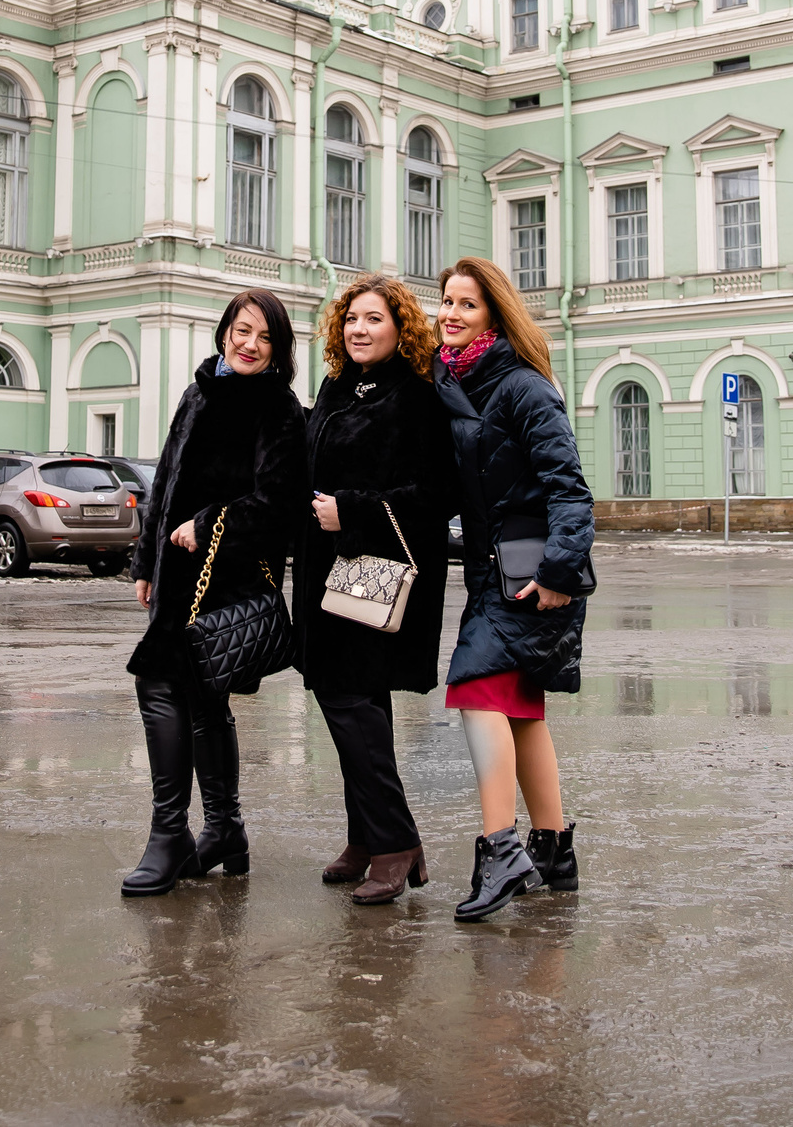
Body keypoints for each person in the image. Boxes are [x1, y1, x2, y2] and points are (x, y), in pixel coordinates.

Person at [121, 290, 309, 896]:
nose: (248, 344)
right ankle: (224, 830)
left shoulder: (279, 409)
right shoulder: (198, 392)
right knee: (200, 699)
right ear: (224, 331)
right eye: (241, 330)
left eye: (263, 337)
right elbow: (166, 479)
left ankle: (169, 835)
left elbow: (279, 506)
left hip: (225, 578)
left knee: (160, 683)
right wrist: (146, 560)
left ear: (278, 349)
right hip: (176, 577)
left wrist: (208, 525)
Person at [435, 255, 595, 923]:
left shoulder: (524, 387)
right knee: (521, 706)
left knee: (474, 688)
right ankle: (553, 849)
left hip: (534, 575)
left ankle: (501, 849)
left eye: (467, 303)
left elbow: (570, 488)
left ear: (493, 317)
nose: (451, 312)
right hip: (494, 571)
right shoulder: (453, 383)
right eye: (445, 300)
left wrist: (560, 571)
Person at [295, 272, 456, 905]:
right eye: (351, 319)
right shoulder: (335, 388)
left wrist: (355, 511)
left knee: (350, 703)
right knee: (358, 708)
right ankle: (366, 837)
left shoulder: (416, 396)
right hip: (323, 574)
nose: (359, 329)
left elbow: (438, 493)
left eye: (373, 319)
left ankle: (397, 844)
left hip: (375, 576)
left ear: (400, 329)